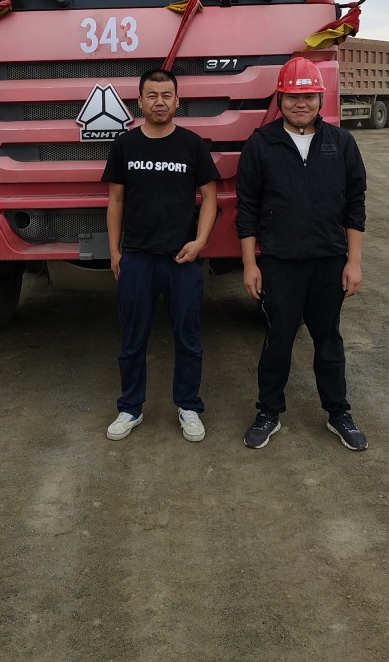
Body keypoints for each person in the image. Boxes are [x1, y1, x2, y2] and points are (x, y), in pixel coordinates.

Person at [235, 55, 369, 451]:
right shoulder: (261, 144)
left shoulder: (341, 143)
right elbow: (247, 209)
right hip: (280, 263)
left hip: (329, 261)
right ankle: (268, 412)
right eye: (293, 96)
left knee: (328, 341)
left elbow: (355, 205)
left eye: (309, 96)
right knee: (278, 339)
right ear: (279, 99)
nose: (301, 104)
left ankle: (338, 412)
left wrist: (354, 261)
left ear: (320, 98)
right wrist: (250, 264)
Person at [102, 68, 219, 442]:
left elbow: (211, 197)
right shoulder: (125, 145)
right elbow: (115, 200)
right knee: (132, 338)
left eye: (166, 95)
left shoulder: (192, 145)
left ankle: (188, 406)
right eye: (152, 95)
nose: (159, 102)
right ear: (139, 101)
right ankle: (130, 408)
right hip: (137, 257)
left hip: (182, 259)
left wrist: (200, 242)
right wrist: (114, 251)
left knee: (188, 337)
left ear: (177, 101)